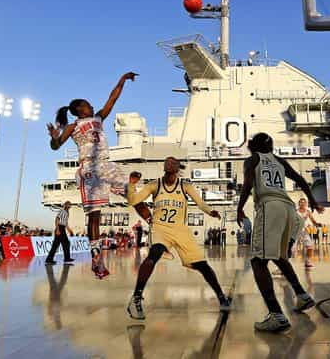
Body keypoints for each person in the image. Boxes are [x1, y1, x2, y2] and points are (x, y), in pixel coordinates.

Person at [46, 71, 151, 279]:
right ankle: (96, 258)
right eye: (87, 104)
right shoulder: (73, 126)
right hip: (89, 169)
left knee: (133, 194)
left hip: (105, 164)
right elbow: (55, 147)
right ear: (79, 110)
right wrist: (54, 138)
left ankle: (156, 225)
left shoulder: (98, 118)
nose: (92, 106)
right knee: (95, 215)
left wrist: (122, 80)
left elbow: (112, 98)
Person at [126, 157, 230, 320]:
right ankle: (136, 298)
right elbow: (133, 200)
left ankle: (221, 297)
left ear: (176, 171)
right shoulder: (155, 185)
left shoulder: (185, 185)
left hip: (181, 230)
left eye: (172, 171)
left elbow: (200, 203)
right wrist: (132, 184)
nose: (169, 175)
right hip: (160, 228)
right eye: (167, 170)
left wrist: (211, 211)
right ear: (165, 170)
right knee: (155, 253)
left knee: (202, 265)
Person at [236, 132, 321, 333]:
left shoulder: (252, 159)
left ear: (253, 146)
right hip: (288, 208)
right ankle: (302, 295)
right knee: (280, 258)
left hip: (269, 206)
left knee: (258, 260)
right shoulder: (279, 160)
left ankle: (276, 314)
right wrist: (313, 201)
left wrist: (239, 208)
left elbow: (248, 184)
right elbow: (300, 179)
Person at [297, 198, 321, 268]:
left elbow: (313, 220)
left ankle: (308, 261)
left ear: (306, 204)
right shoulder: (295, 211)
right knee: (290, 248)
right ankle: (283, 267)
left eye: (304, 202)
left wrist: (317, 224)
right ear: (299, 204)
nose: (303, 204)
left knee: (310, 246)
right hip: (295, 231)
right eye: (301, 202)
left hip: (304, 231)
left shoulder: (308, 212)